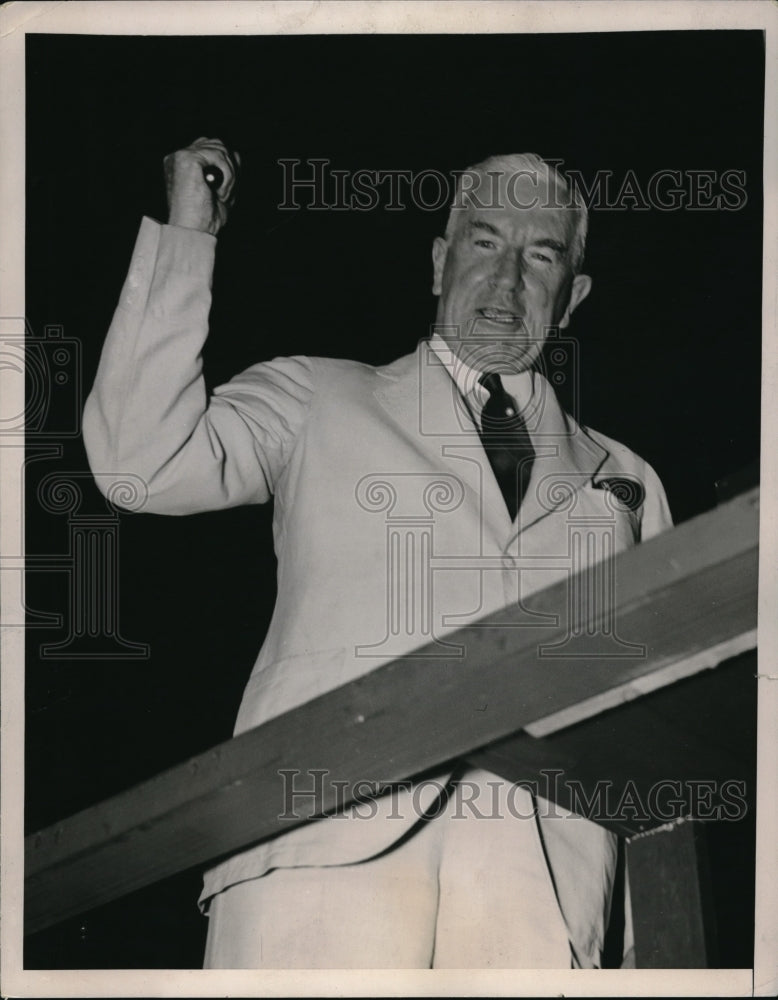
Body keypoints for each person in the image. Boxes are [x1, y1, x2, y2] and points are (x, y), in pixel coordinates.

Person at [83, 138, 672, 969]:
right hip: (322, 852)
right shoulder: (318, 395)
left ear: (571, 295)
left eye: (539, 255)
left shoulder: (628, 481)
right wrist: (189, 236)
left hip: (539, 898)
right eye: (483, 241)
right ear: (438, 262)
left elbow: (662, 723)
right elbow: (137, 462)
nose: (505, 282)